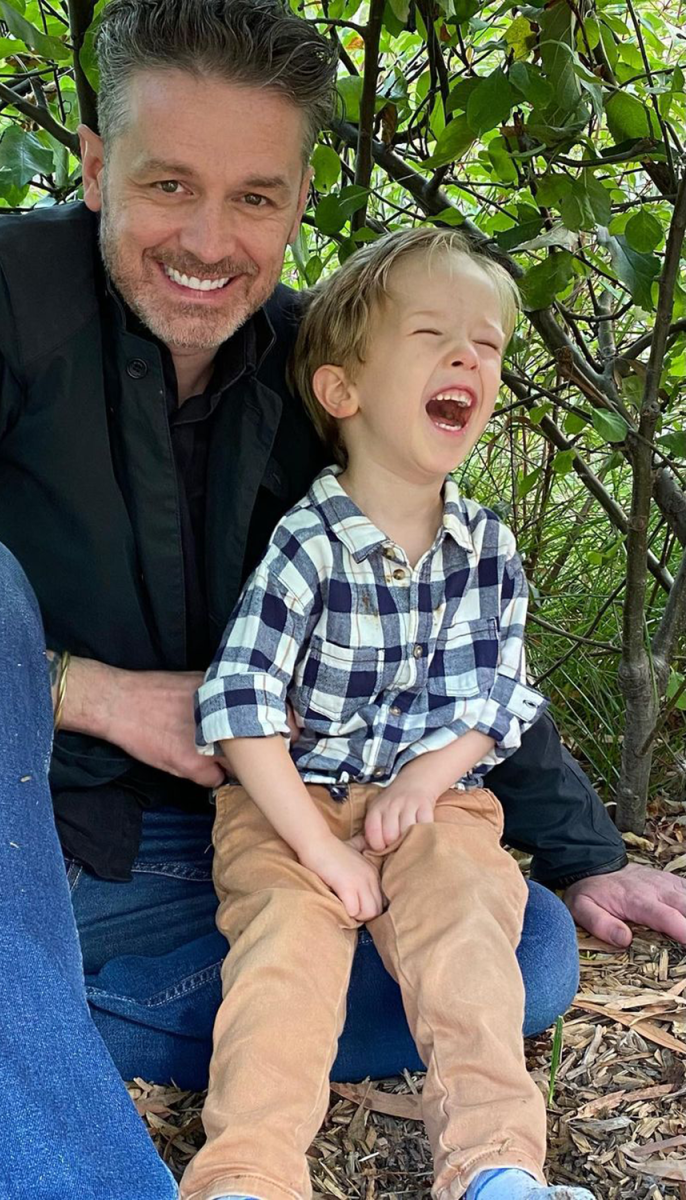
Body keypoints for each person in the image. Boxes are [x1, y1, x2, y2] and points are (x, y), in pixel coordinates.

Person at [0, 0, 680, 1194]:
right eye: (170, 185)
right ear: (94, 168)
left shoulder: (306, 376)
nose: (210, 240)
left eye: (255, 198)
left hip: (138, 852)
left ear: (295, 202)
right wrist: (88, 692)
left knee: (523, 950)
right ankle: (48, 1144)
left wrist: (587, 855)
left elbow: (437, 624)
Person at [181, 229, 595, 1200]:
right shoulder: (308, 546)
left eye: (487, 346)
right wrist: (322, 855)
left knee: (470, 938)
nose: (469, 359)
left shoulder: (486, 548)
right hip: (292, 804)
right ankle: (248, 1175)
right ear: (343, 391)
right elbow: (240, 710)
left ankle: (495, 1168)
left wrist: (425, 780)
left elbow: (496, 698)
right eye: (433, 334)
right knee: (283, 963)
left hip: (433, 805)